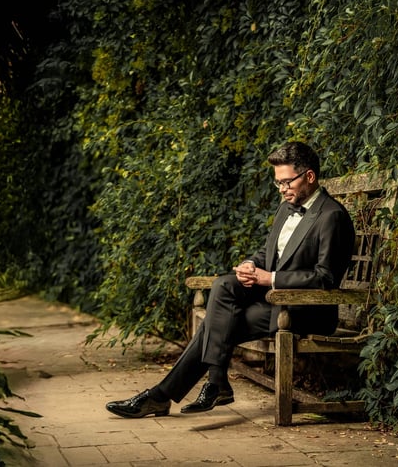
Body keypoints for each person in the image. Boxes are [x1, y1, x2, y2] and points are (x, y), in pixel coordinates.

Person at [105, 141, 356, 418]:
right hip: (275, 302)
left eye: (287, 182)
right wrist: (251, 265)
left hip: (305, 310)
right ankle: (211, 384)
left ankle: (172, 394)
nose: (282, 190)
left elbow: (325, 278)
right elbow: (268, 252)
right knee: (223, 285)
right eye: (278, 184)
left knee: (218, 322)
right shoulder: (286, 208)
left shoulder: (332, 216)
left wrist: (270, 278)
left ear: (309, 176)